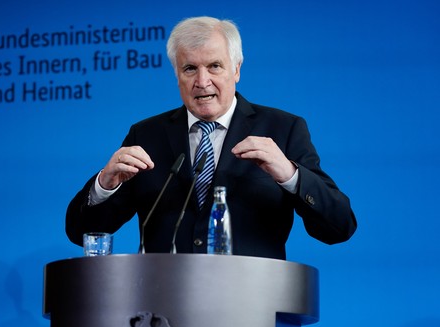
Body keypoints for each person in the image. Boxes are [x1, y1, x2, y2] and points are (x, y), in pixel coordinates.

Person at [65, 16, 357, 259]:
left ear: (237, 69)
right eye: (190, 68)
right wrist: (105, 184)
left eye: (214, 66)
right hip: (162, 308)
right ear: (176, 75)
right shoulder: (146, 135)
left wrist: (291, 175)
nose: (202, 81)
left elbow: (339, 227)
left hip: (252, 306)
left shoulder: (283, 129)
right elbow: (80, 232)